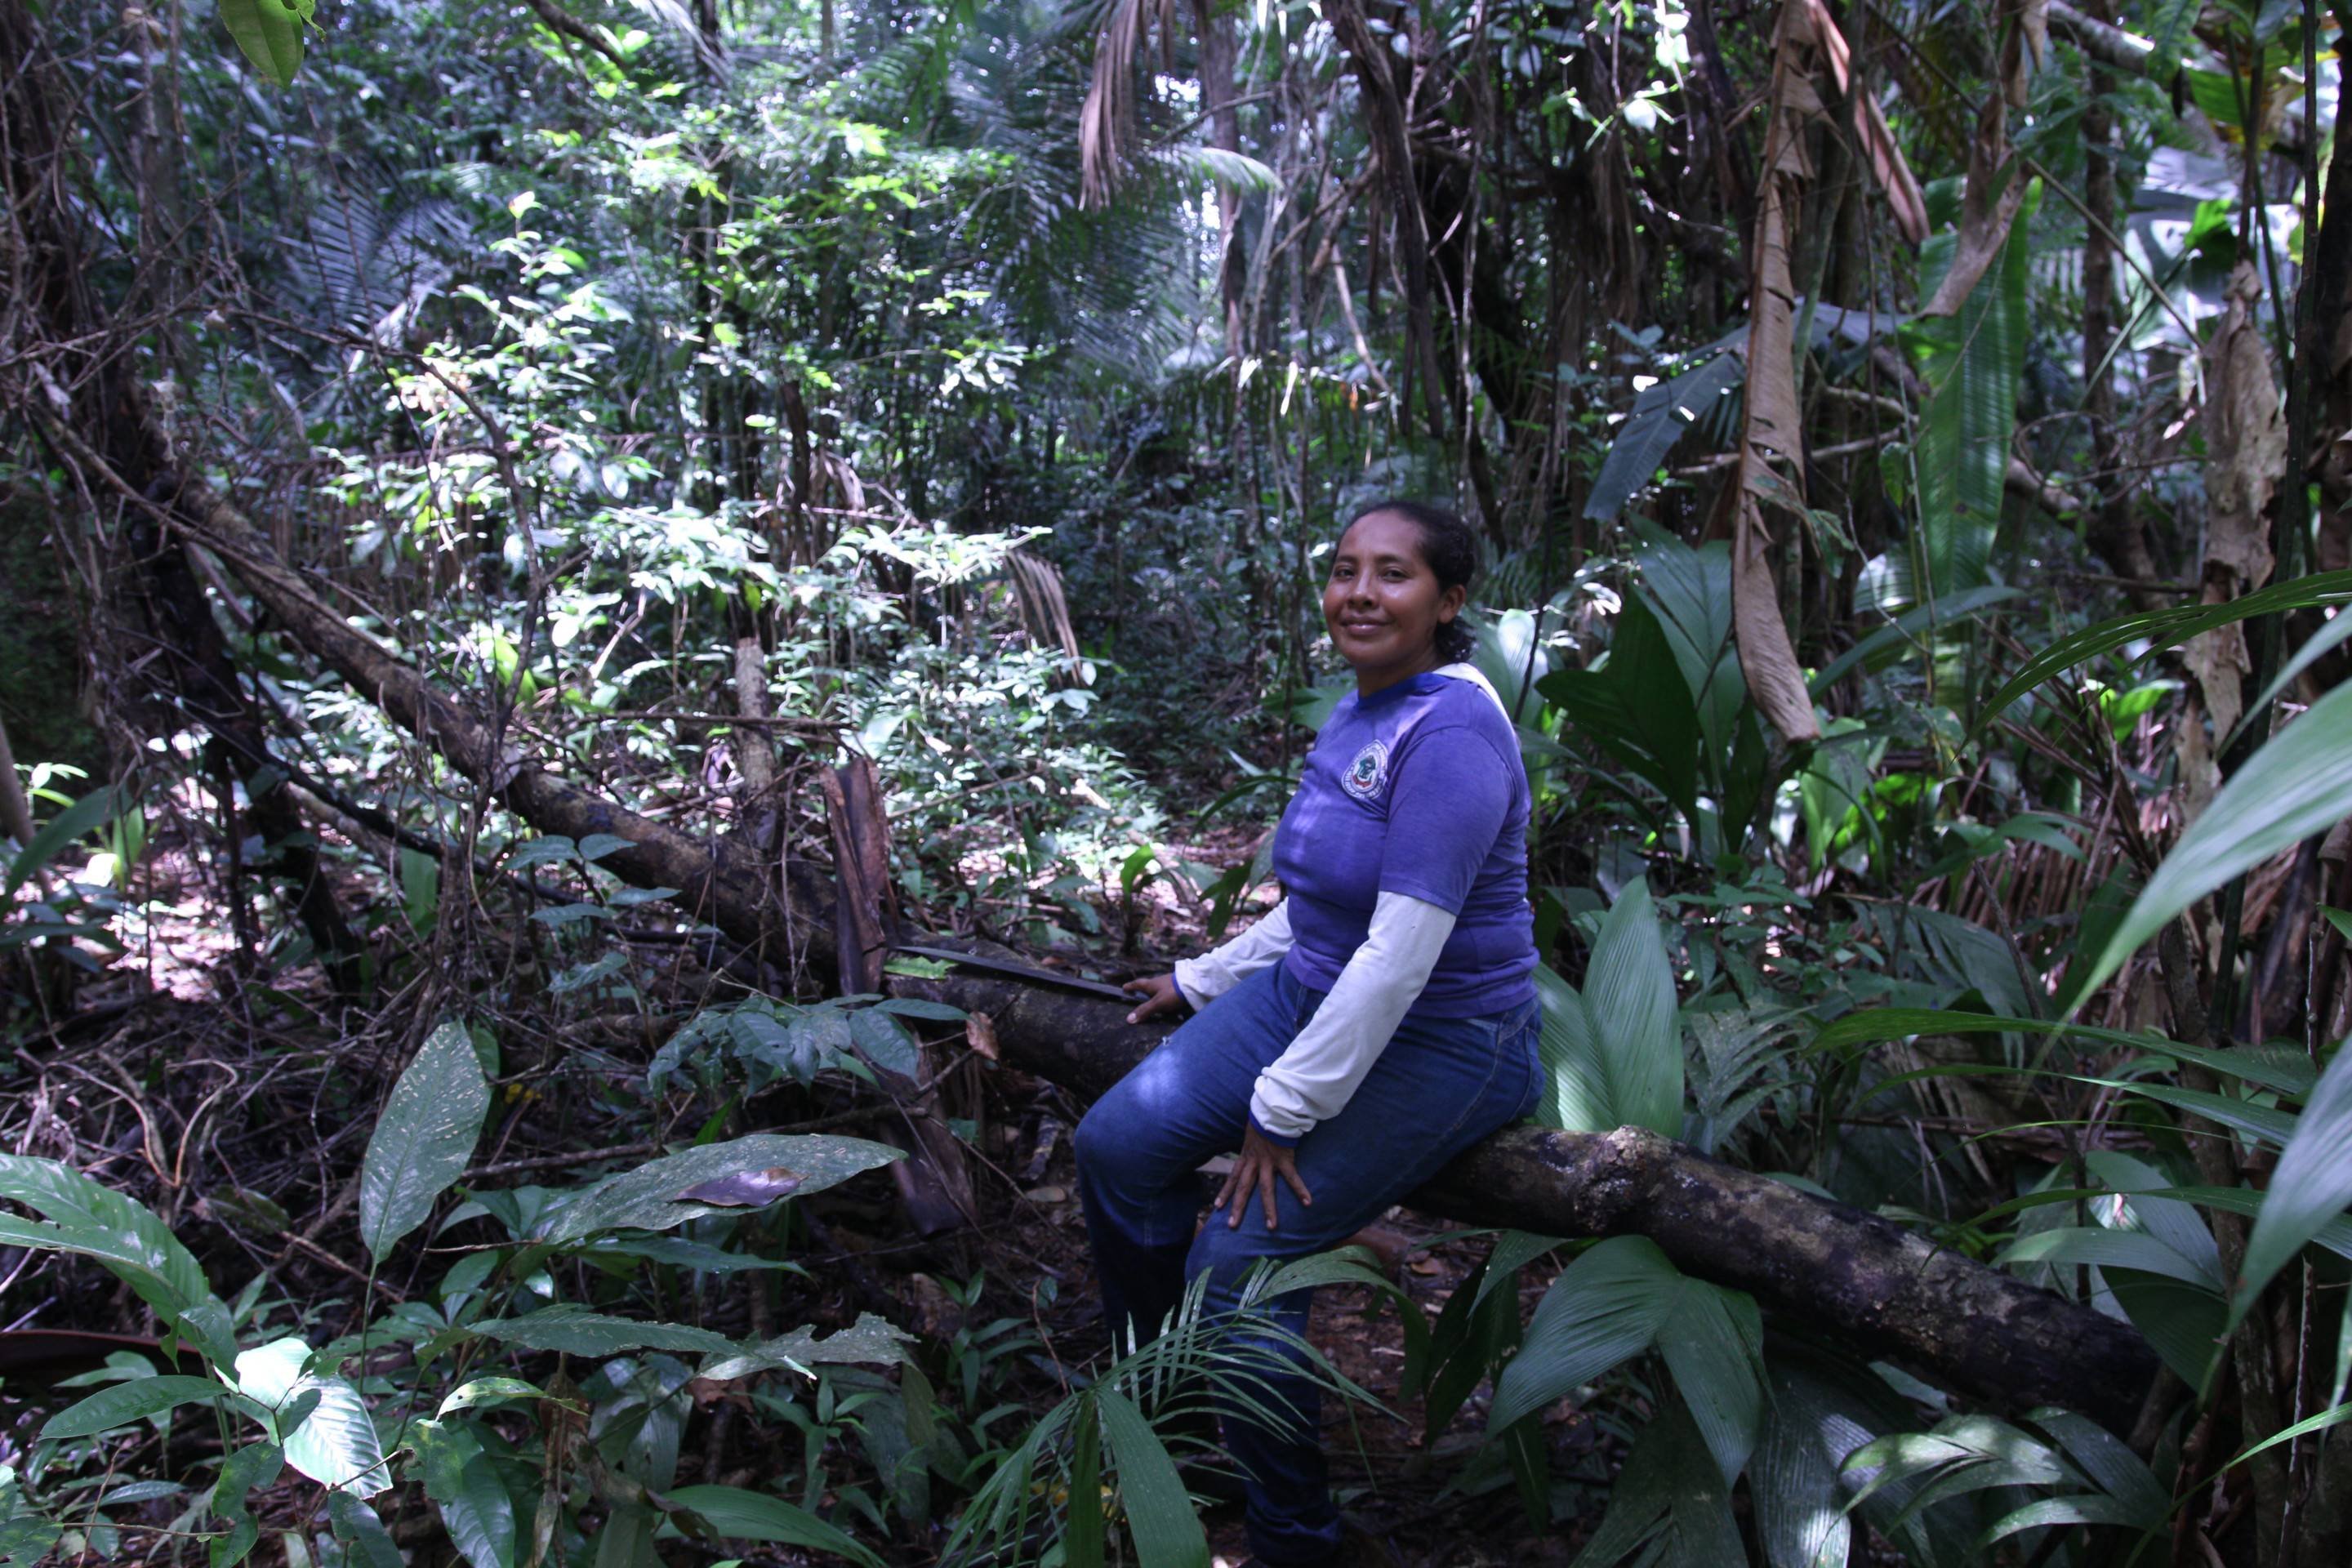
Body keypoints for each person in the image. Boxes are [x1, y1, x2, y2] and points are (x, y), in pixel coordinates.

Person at [1075, 499, 1543, 1566]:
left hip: (1447, 1041)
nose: (1360, 593)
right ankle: (1177, 1423)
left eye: (1393, 574)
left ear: (1450, 600)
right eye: (1344, 572)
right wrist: (1203, 977)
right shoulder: (1360, 708)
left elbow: (1400, 954)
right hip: (1306, 993)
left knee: (1239, 1260)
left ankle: (1293, 1534)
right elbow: (1322, 902)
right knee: (1115, 1149)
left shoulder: (1455, 733)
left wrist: (1281, 1111)